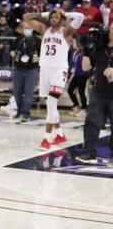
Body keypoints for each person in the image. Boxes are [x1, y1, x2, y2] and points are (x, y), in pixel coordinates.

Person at [21, 9, 83, 148]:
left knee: (52, 104)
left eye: (57, 17)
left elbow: (80, 17)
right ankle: (60, 134)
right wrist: (43, 14)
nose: (54, 19)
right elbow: (26, 17)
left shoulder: (66, 31)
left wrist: (64, 14)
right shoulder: (44, 29)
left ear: (62, 19)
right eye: (52, 17)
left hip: (58, 71)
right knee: (51, 105)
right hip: (45, 71)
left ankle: (46, 139)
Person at [75, 29, 113, 164]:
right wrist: (86, 49)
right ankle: (89, 153)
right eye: (112, 29)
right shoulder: (100, 48)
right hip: (99, 92)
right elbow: (86, 67)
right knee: (92, 121)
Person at [10, 24, 41, 122]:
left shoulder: (37, 40)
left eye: (29, 28)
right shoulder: (19, 39)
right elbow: (12, 49)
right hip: (19, 68)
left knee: (28, 92)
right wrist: (12, 53)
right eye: (25, 28)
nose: (27, 30)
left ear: (32, 29)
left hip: (32, 69)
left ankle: (26, 112)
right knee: (17, 92)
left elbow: (42, 52)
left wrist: (39, 60)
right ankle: (19, 111)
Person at [68, 38, 90, 114]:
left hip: (83, 74)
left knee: (81, 92)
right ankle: (76, 105)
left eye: (75, 42)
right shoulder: (74, 51)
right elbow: (71, 63)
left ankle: (84, 108)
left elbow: (89, 62)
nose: (73, 43)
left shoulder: (86, 51)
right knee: (70, 90)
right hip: (76, 73)